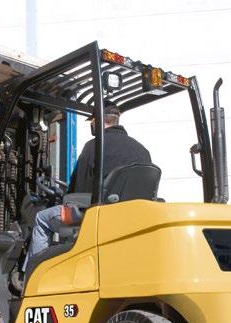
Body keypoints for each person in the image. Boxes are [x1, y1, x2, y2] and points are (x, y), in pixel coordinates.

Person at [21, 103, 152, 277]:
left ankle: (31, 276)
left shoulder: (94, 146)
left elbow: (77, 189)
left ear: (96, 121)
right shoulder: (142, 150)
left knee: (42, 218)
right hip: (131, 218)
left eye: (92, 121)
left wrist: (65, 197)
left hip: (94, 216)